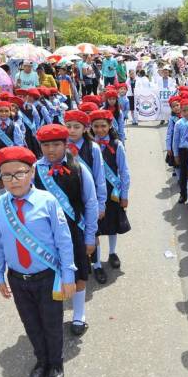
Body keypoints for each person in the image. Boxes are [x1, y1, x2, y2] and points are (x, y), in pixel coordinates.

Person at [0, 146, 76, 377]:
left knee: (51, 323)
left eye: (19, 173)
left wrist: (68, 275)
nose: (13, 180)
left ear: (31, 173)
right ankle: (42, 361)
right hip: (18, 278)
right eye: (6, 175)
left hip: (47, 276)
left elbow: (63, 240)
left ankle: (56, 363)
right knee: (31, 324)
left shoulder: (47, 201)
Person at [34, 124, 98, 337]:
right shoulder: (34, 170)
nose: (51, 150)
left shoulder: (79, 168)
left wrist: (90, 236)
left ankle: (79, 314)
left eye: (56, 145)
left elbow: (90, 203)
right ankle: (51, 315)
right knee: (49, 275)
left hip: (74, 232)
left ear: (65, 144)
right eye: (46, 145)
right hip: (45, 235)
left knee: (78, 274)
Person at [63, 109, 107, 283]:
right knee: (71, 233)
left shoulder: (93, 148)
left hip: (90, 199)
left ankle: (97, 264)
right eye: (68, 126)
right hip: (68, 199)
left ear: (85, 128)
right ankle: (78, 264)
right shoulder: (62, 147)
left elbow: (100, 177)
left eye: (76, 127)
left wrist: (101, 204)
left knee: (93, 233)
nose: (72, 130)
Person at [90, 110, 131, 271]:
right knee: (95, 228)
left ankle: (112, 252)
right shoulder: (89, 145)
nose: (100, 130)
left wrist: (125, 194)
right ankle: (97, 263)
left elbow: (124, 171)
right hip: (93, 192)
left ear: (109, 126)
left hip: (112, 192)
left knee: (112, 223)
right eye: (96, 126)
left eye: (103, 126)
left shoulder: (116, 144)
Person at [172, 98, 188, 204]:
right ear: (181, 111)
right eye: (184, 110)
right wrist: (176, 154)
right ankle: (183, 194)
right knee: (183, 173)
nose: (187, 113)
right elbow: (175, 140)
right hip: (183, 151)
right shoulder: (179, 123)